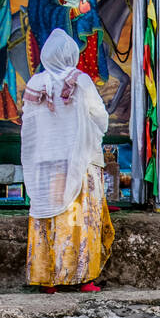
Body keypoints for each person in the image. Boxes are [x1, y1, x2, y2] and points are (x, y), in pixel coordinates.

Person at [21, 28, 114, 294]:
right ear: (72, 54)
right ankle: (82, 279)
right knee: (79, 220)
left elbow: (29, 126)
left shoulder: (35, 83)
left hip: (45, 164)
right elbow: (100, 116)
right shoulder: (80, 81)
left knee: (49, 218)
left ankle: (47, 279)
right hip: (78, 163)